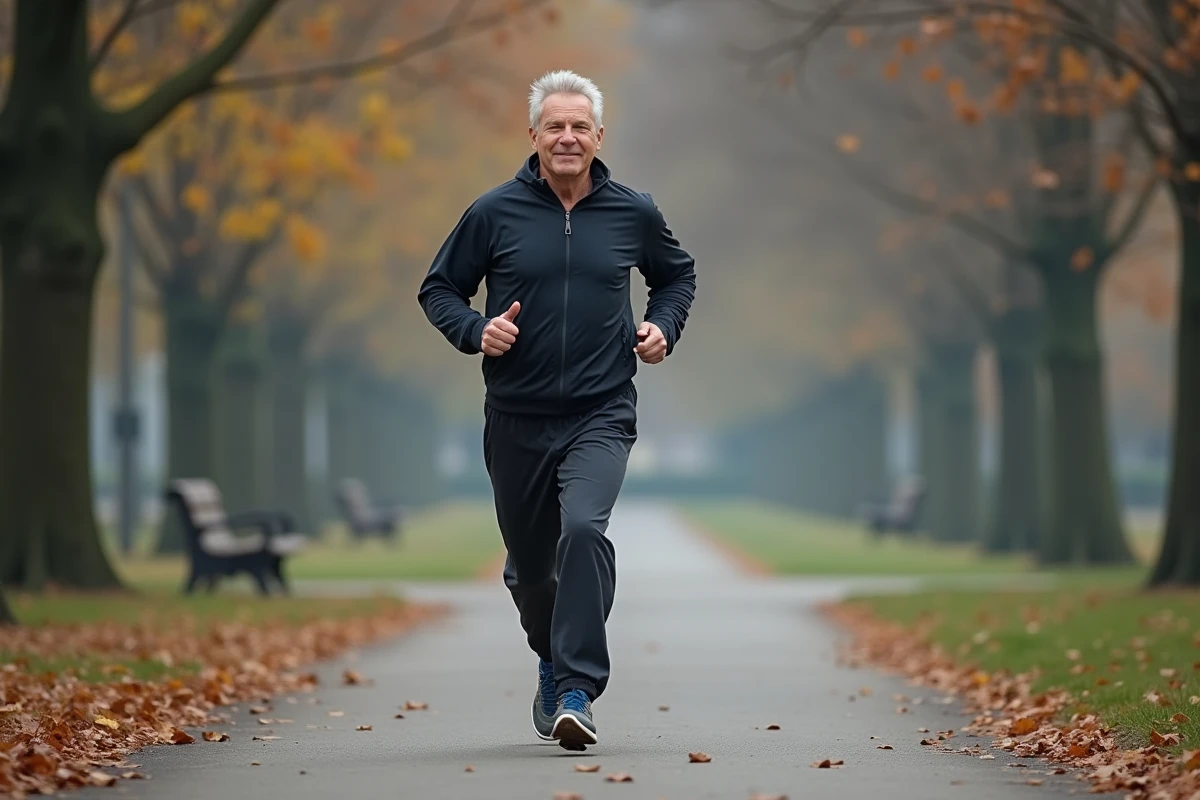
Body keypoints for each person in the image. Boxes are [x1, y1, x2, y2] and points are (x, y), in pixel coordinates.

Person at [416, 69, 697, 750]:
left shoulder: (634, 212)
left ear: (599, 136)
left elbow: (676, 275)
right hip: (515, 417)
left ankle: (576, 689)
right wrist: (475, 329)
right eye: (555, 126)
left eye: (579, 126)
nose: (567, 137)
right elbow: (439, 289)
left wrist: (663, 326)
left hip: (601, 412)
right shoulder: (493, 213)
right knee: (531, 570)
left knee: (584, 533)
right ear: (534, 136)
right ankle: (551, 655)